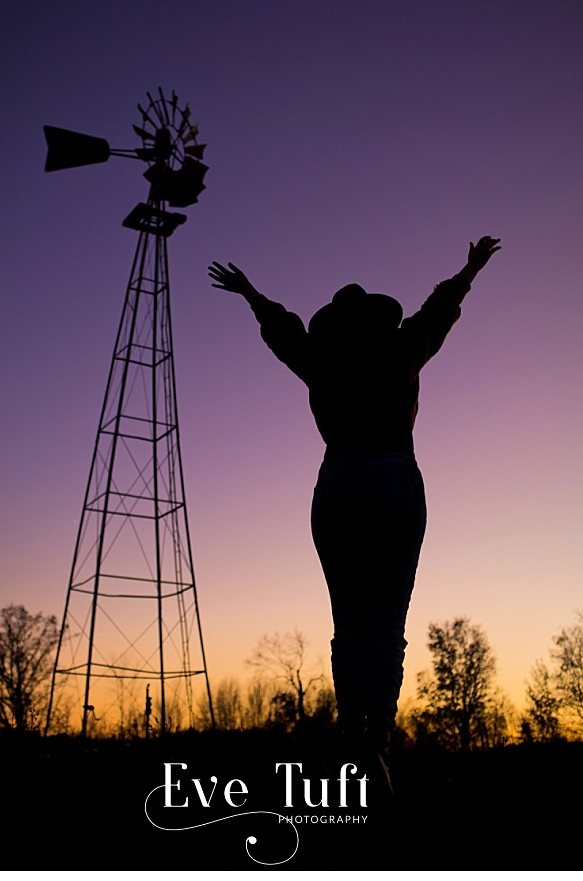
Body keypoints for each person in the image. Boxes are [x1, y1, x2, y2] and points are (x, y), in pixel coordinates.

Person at [208, 236, 500, 790]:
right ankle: (378, 740)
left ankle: (352, 738)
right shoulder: (403, 346)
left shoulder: (322, 360)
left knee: (349, 621)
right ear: (378, 319)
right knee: (387, 620)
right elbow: (440, 309)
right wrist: (470, 267)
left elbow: (284, 329)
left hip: (338, 478)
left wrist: (249, 292)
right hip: (392, 473)